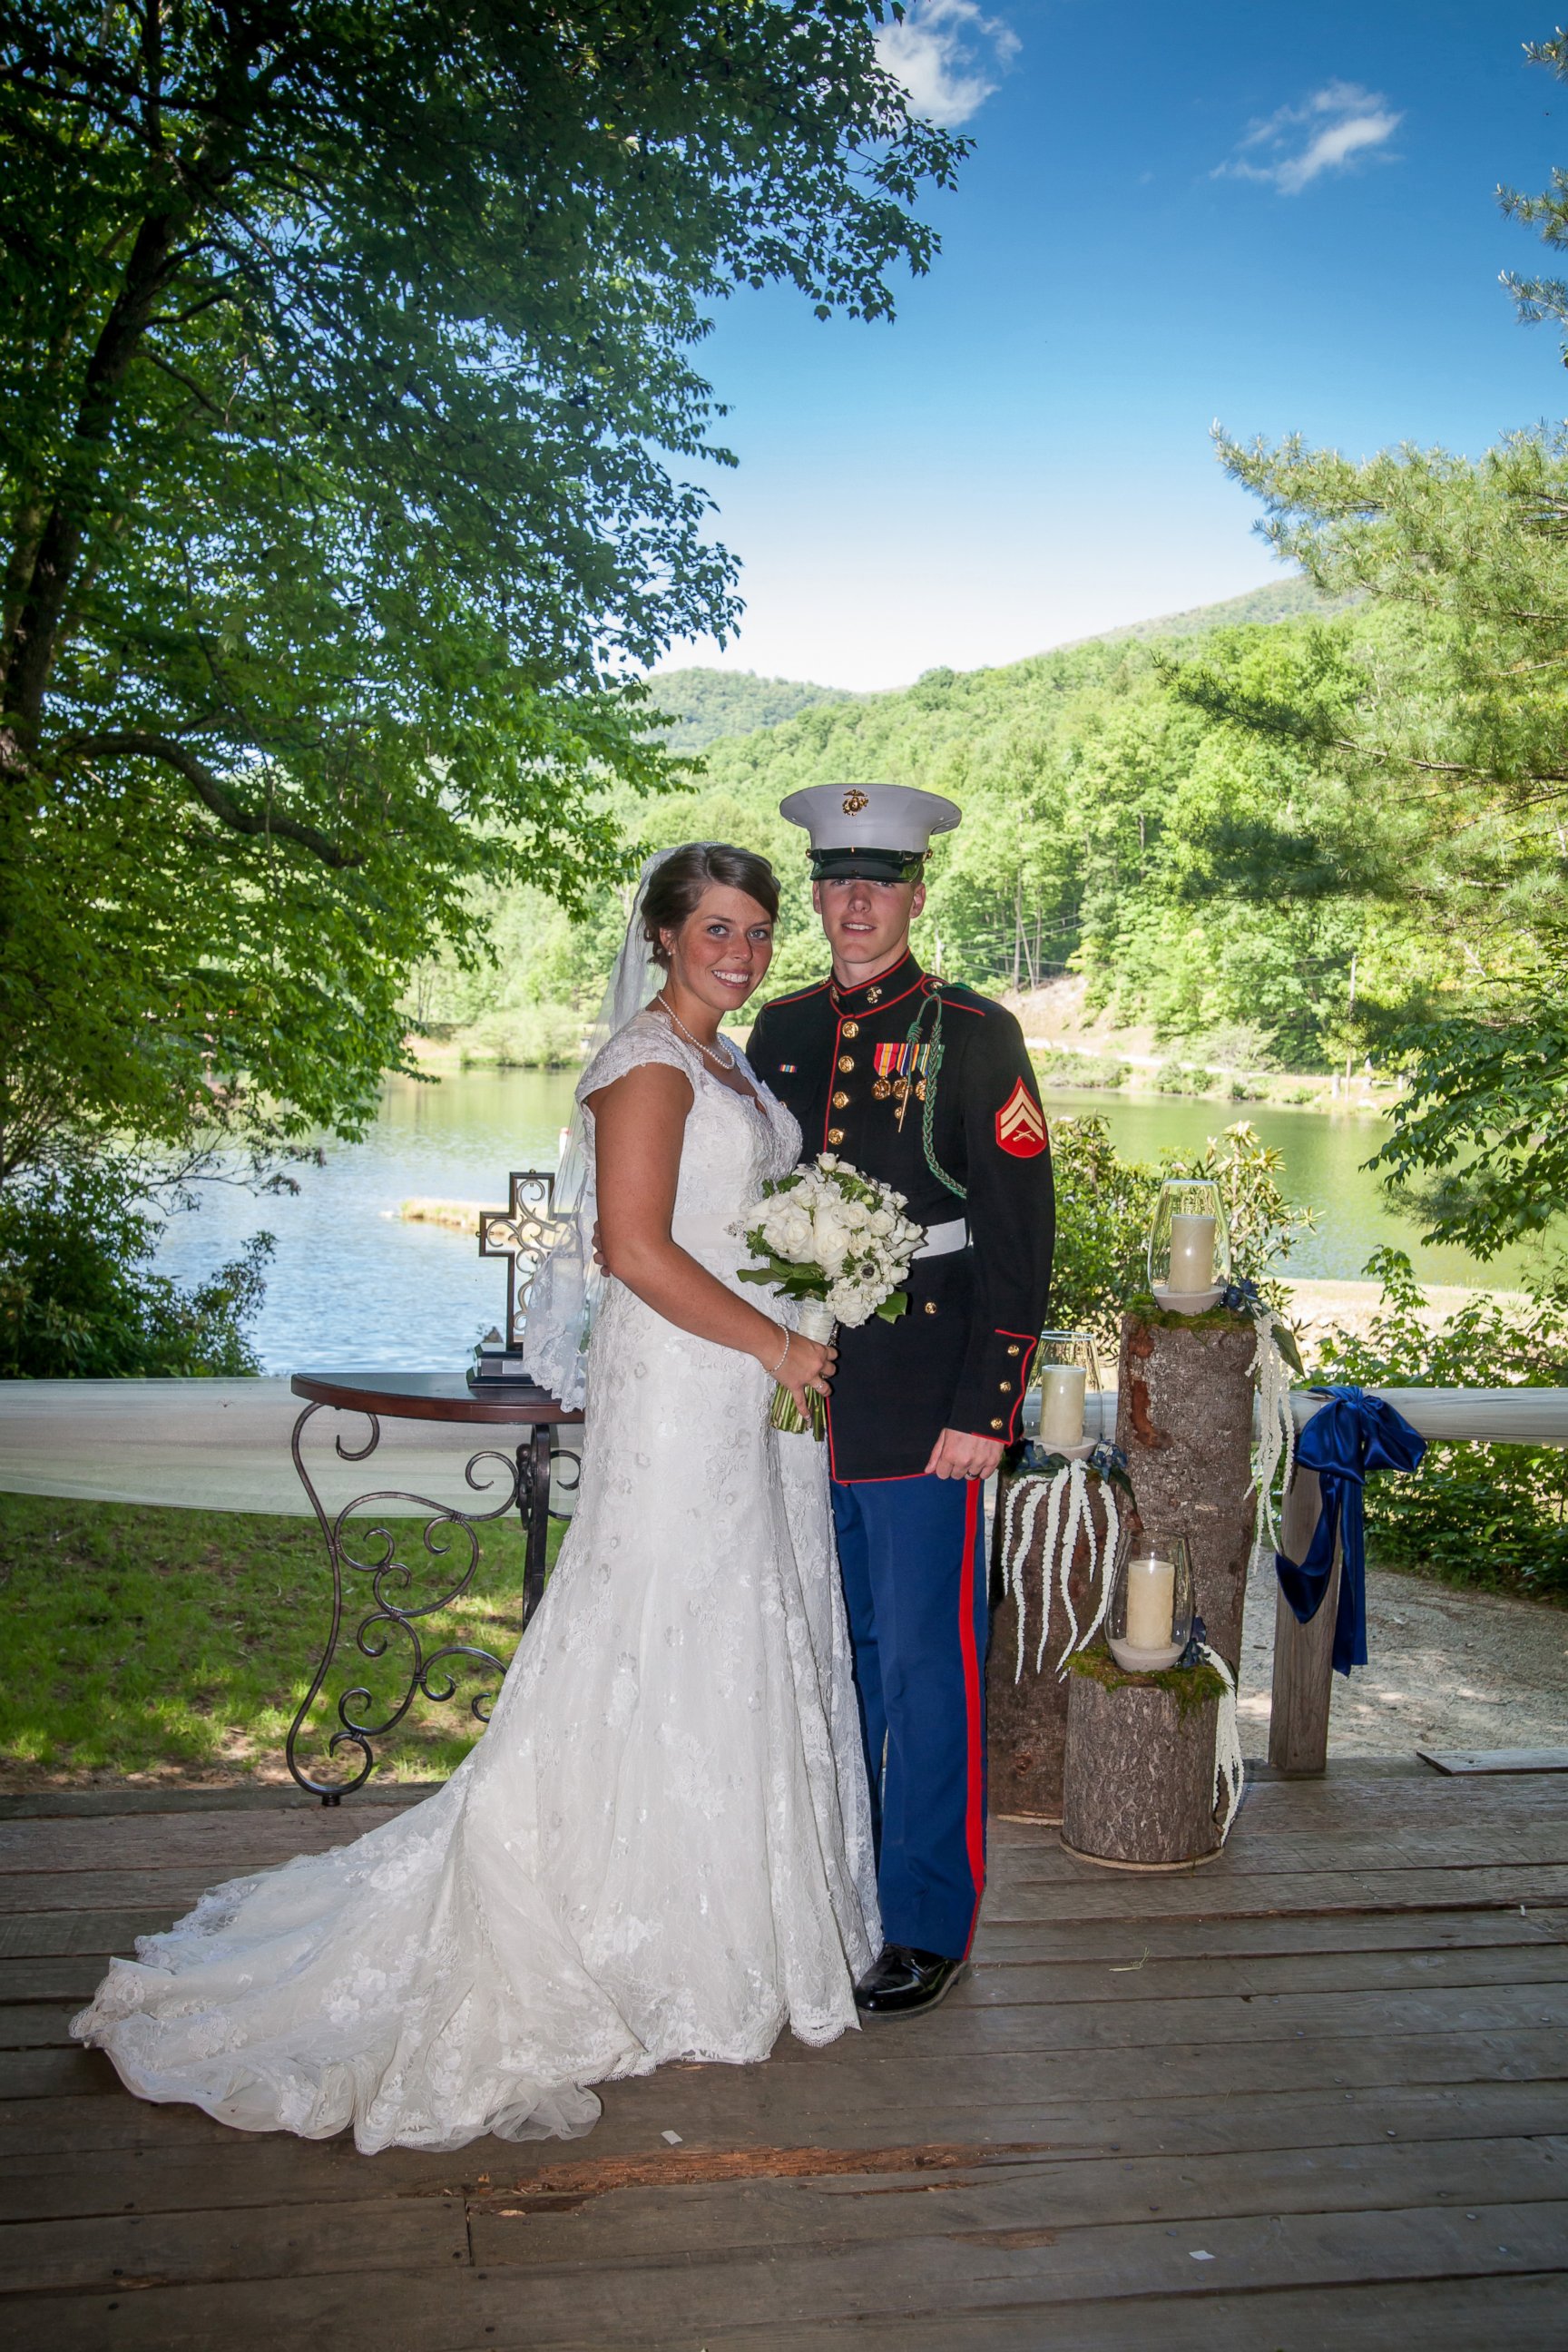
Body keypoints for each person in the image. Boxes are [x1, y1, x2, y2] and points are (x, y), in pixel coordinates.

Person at [71, 843, 878, 2153]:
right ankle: (621, 1923)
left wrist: (805, 1301)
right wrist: (781, 1342)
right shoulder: (649, 1066)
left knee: (733, 1631)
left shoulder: (729, 1062)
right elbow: (632, 1251)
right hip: (689, 1385)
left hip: (743, 1391)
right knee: (663, 1624)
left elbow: (735, 1224)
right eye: (718, 928)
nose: (742, 950)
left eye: (760, 930)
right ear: (665, 935)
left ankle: (717, 1911)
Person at [747, 785, 1054, 2018]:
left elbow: (1020, 1239)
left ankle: (929, 1916)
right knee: (837, 1654)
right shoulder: (774, 1030)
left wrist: (988, 1406)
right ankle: (840, 1883)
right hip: (793, 1404)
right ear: (815, 895)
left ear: (920, 895)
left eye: (881, 881)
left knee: (928, 1668)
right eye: (836, 881)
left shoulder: (975, 1032)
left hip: (927, 1399)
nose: (857, 902)